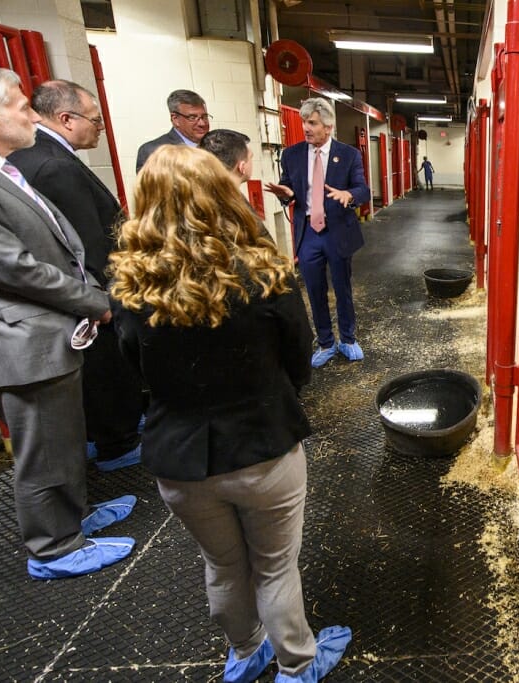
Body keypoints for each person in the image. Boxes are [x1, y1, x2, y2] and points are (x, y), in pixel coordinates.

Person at [108, 145, 352, 683]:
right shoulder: (262, 272)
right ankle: (297, 663)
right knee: (274, 566)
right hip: (263, 444)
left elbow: (134, 370)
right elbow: (299, 356)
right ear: (224, 193)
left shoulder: (130, 285)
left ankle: (245, 651)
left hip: (179, 457)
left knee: (221, 564)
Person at [0, 64, 135, 579]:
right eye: (22, 107)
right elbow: (12, 267)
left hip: (43, 331)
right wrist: (96, 301)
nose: (31, 115)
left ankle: (76, 517)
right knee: (43, 451)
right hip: (16, 338)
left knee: (63, 440)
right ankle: (54, 547)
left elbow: (48, 237)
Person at [8, 79, 147, 472]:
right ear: (66, 119)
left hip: (71, 296)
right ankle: (117, 443)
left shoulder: (40, 157)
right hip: (91, 292)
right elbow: (88, 243)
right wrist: (107, 296)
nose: (100, 127)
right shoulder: (52, 166)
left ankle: (110, 433)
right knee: (105, 363)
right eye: (95, 120)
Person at [264, 97, 371, 368]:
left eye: (312, 123)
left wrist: (349, 194)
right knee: (313, 289)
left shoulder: (348, 155)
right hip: (308, 232)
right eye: (304, 122)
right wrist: (286, 194)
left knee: (342, 287)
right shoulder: (292, 154)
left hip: (337, 231)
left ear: (329, 126)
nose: (306, 128)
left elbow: (363, 189)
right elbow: (287, 186)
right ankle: (325, 342)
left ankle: (347, 339)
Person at [135, 89, 210, 172]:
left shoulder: (218, 145)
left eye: (204, 117)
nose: (202, 123)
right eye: (192, 118)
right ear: (175, 119)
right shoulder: (153, 151)